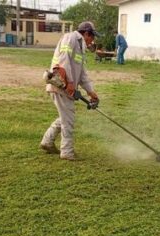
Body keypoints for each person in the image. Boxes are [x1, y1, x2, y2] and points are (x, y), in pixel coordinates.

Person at [40, 21, 100, 161]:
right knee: (69, 119)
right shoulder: (71, 38)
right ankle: (66, 152)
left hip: (67, 86)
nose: (93, 40)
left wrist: (91, 92)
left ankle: (47, 141)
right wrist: (70, 82)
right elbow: (63, 59)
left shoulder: (81, 46)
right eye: (92, 36)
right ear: (86, 33)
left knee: (65, 117)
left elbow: (83, 73)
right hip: (60, 84)